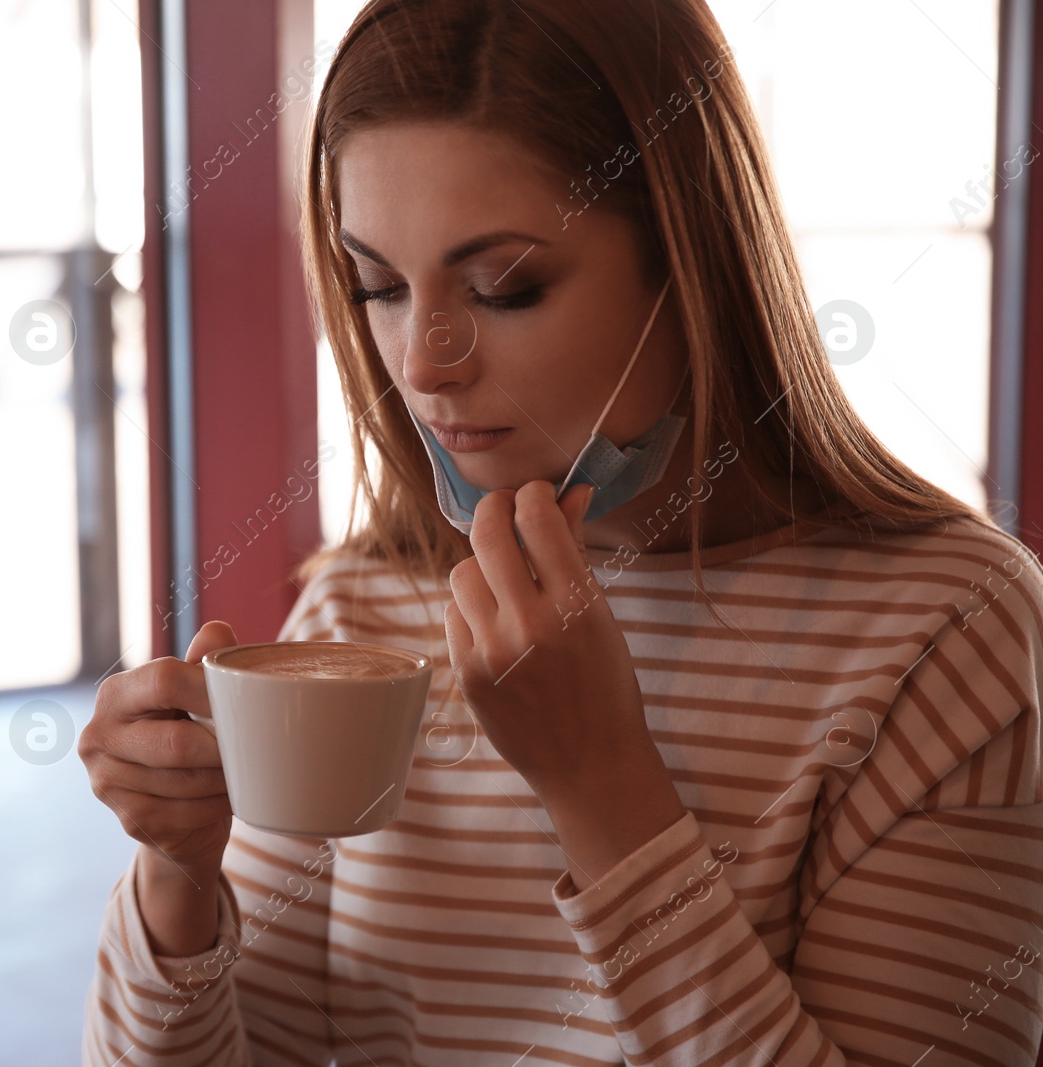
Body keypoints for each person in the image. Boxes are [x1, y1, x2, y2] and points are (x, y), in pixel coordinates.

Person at [79, 1, 1043, 1062]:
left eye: (506, 287)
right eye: (380, 286)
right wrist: (177, 876)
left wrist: (599, 784)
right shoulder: (366, 604)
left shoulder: (944, 630)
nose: (421, 362)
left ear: (693, 264)